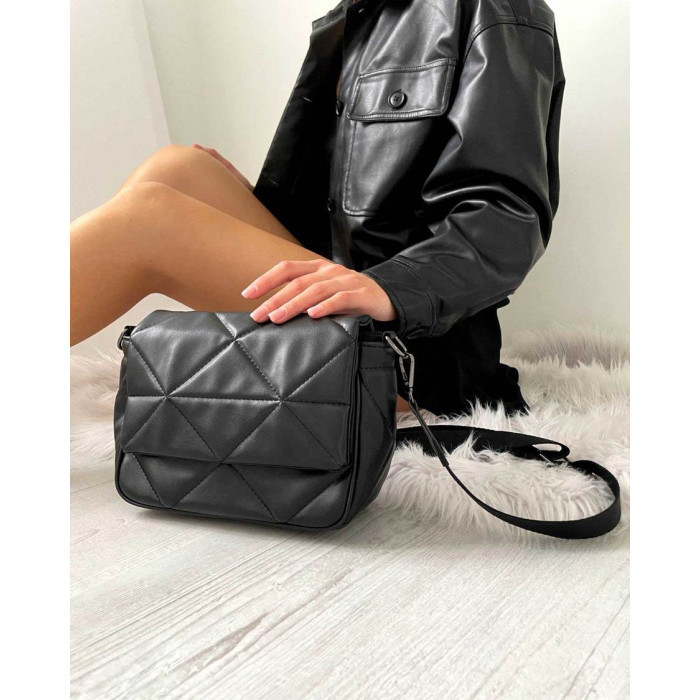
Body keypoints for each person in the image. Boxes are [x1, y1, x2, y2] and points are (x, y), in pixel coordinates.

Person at [70, 0, 564, 416]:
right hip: (339, 296)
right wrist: (243, 203)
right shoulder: (359, 15)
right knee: (179, 169)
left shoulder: (496, 9)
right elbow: (342, 213)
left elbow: (504, 216)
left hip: (410, 351)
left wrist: (391, 289)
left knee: (149, 220)